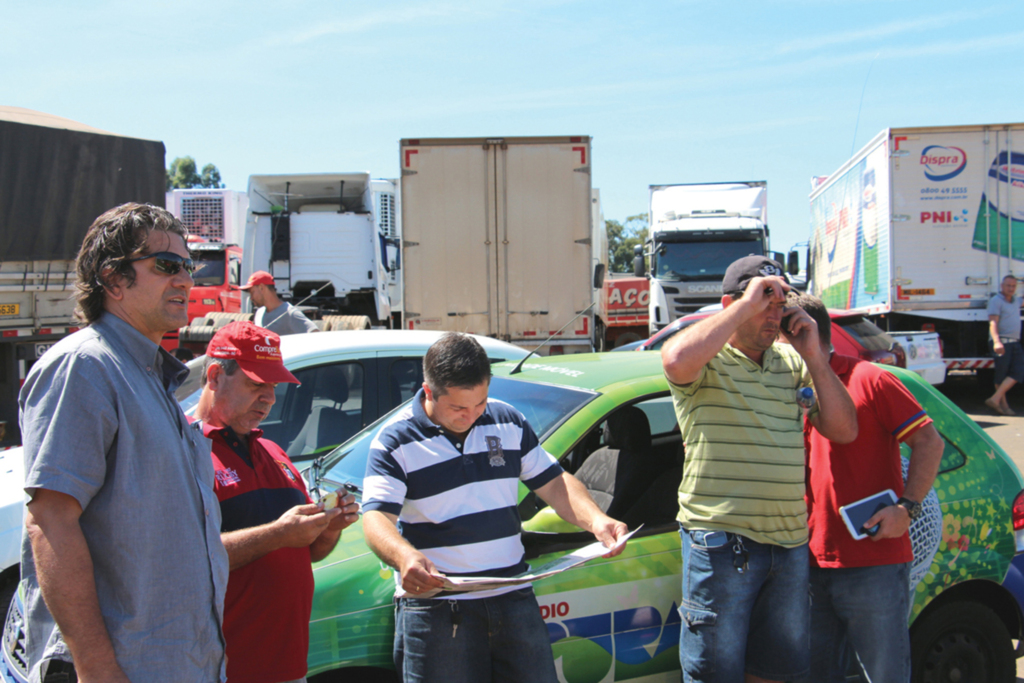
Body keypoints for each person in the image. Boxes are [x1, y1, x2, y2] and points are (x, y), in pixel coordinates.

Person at [19, 203, 229, 683]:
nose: (185, 280)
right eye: (166, 265)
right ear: (113, 280)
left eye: (187, 267)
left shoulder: (151, 377)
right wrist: (96, 668)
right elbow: (50, 521)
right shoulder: (85, 367)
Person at [361, 332, 629, 683]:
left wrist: (597, 521)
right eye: (458, 408)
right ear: (428, 392)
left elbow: (554, 482)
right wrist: (404, 557)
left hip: (513, 597)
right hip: (439, 609)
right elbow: (376, 518)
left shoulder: (508, 420)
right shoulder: (394, 441)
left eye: (481, 403)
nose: (472, 416)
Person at [660, 255, 857, 683]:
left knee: (777, 672)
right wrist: (745, 306)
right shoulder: (708, 361)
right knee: (715, 673)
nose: (775, 313)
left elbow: (843, 429)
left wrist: (814, 357)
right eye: (765, 299)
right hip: (722, 544)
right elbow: (674, 360)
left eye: (781, 301)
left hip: (787, 547)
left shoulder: (792, 364)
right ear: (733, 302)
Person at [195, 320, 359, 683]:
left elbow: (307, 551)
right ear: (214, 376)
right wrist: (278, 534)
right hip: (222, 669)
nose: (269, 397)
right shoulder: (187, 454)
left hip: (289, 666)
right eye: (256, 384)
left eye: (272, 385)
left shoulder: (273, 451)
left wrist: (329, 528)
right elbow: (189, 559)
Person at [795, 293, 943, 682]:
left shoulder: (870, 378)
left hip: (873, 564)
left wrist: (907, 509)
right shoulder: (788, 389)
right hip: (807, 564)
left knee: (883, 675)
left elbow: (930, 442)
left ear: (805, 334)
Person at [985, 274, 1023, 416]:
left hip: (1015, 343)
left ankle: (995, 399)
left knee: (1019, 372)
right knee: (1001, 376)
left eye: (1013, 286)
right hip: (1002, 343)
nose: (1011, 288)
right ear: (1002, 286)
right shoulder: (996, 301)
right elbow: (992, 322)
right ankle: (1004, 407)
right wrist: (996, 341)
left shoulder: (1016, 301)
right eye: (1008, 285)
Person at [240, 270, 318, 335]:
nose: (251, 298)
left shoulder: (290, 314)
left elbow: (316, 335)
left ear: (261, 288)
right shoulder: (259, 313)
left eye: (252, 292)